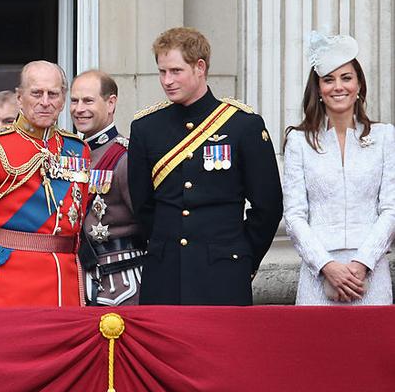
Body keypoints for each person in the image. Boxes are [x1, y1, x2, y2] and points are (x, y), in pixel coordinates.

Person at [128, 27, 283, 305]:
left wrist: (241, 256)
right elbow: (143, 206)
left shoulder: (243, 125)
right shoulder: (146, 128)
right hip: (165, 275)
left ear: (200, 67)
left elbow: (268, 205)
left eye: (176, 71)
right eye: (162, 72)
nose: (167, 80)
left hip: (223, 273)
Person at [0, 60, 91, 307]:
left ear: (63, 99)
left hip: (64, 284)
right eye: (36, 93)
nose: (45, 102)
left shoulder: (78, 150)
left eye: (53, 94)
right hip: (7, 286)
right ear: (19, 98)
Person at [283, 31, 394, 305]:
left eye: (346, 78)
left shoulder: (384, 137)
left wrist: (362, 263)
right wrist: (326, 266)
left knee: (371, 347)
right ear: (318, 89)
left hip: (370, 271)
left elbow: (391, 208)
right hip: (318, 272)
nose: (338, 87)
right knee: (316, 348)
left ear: (359, 85)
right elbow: (294, 215)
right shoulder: (299, 141)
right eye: (328, 79)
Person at [69, 70, 144, 306]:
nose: (79, 109)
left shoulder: (126, 157)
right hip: (79, 281)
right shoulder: (70, 154)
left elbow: (150, 224)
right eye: (74, 100)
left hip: (121, 281)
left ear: (111, 103)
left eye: (88, 101)